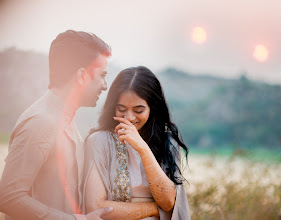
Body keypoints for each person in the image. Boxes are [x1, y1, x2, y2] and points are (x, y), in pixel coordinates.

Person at [0, 30, 114, 220]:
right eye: (102, 75)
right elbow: (8, 197)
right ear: (82, 75)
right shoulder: (40, 122)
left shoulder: (67, 120)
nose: (105, 85)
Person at [83, 66, 190, 219]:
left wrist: (142, 148)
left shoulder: (167, 141)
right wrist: (155, 209)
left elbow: (167, 202)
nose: (129, 118)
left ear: (152, 108)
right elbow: (96, 207)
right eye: (121, 109)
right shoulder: (99, 141)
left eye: (138, 110)